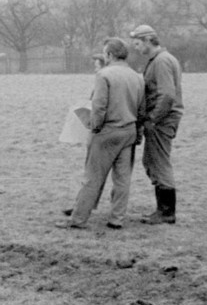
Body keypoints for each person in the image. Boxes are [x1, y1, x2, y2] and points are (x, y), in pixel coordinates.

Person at [56, 38, 145, 230]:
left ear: (110, 55)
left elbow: (99, 107)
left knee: (92, 177)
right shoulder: (137, 77)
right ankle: (117, 219)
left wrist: (94, 128)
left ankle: (78, 219)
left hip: (106, 132)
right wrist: (138, 133)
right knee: (122, 179)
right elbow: (142, 110)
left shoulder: (104, 75)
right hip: (128, 131)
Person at [130, 24, 184, 225]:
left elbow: (167, 95)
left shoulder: (161, 62)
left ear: (147, 40)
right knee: (152, 161)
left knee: (158, 163)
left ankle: (166, 212)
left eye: (137, 43)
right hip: (162, 120)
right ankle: (163, 210)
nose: (136, 48)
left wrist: (152, 119)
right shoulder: (160, 59)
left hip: (161, 121)